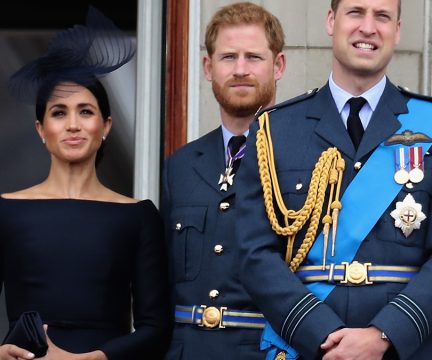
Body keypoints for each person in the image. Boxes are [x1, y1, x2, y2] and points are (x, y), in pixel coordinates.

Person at [235, 0, 432, 358]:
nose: (368, 27)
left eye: (382, 16)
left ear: (397, 30)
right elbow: (254, 253)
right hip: (307, 346)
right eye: (356, 12)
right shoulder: (274, 130)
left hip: (402, 348)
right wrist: (323, 335)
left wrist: (383, 335)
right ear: (332, 21)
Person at [0, 8, 171, 360]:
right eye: (59, 112)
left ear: (105, 126)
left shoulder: (138, 217)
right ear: (40, 129)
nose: (73, 124)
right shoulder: (6, 210)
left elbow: (157, 327)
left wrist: (94, 359)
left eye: (86, 111)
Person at [161, 2, 286, 359]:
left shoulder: (307, 160)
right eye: (229, 57)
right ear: (207, 67)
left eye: (254, 57)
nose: (241, 70)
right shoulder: (180, 166)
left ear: (278, 66)